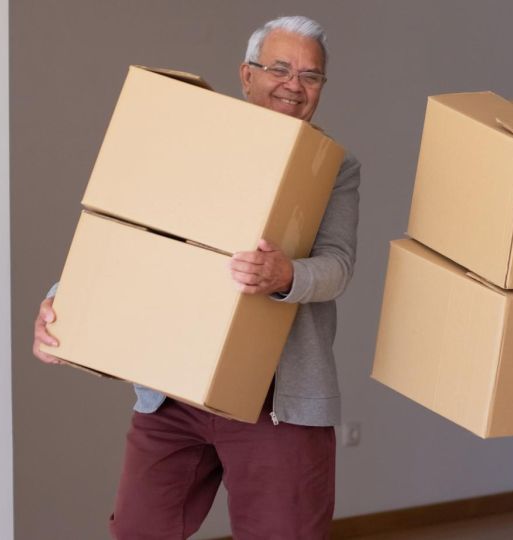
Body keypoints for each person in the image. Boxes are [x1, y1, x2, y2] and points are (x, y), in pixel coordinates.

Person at [31, 15, 360, 539]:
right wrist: (58, 303)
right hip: (172, 393)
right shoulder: (192, 142)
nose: (294, 85)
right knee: (138, 531)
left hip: (277, 403)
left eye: (311, 75)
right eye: (279, 68)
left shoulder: (333, 167)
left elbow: (337, 267)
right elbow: (126, 230)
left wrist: (284, 274)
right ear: (246, 75)